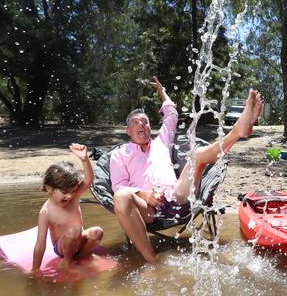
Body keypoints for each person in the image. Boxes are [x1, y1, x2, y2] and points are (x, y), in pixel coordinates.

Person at [110, 76, 262, 263]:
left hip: (177, 197)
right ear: (128, 130)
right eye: (136, 122)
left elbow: (171, 115)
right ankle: (153, 261)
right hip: (146, 209)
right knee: (121, 196)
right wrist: (144, 194)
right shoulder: (119, 154)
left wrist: (161, 90)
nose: (142, 124)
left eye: (145, 122)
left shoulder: (161, 141)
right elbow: (119, 187)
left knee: (197, 154)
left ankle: (238, 131)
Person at [32, 143, 104, 275]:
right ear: (49, 188)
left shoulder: (74, 196)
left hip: (79, 240)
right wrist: (35, 269)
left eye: (73, 191)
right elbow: (40, 244)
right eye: (65, 192)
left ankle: (81, 255)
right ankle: (67, 260)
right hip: (62, 247)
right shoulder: (46, 212)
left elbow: (88, 180)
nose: (70, 196)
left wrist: (84, 159)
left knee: (97, 232)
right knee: (75, 230)